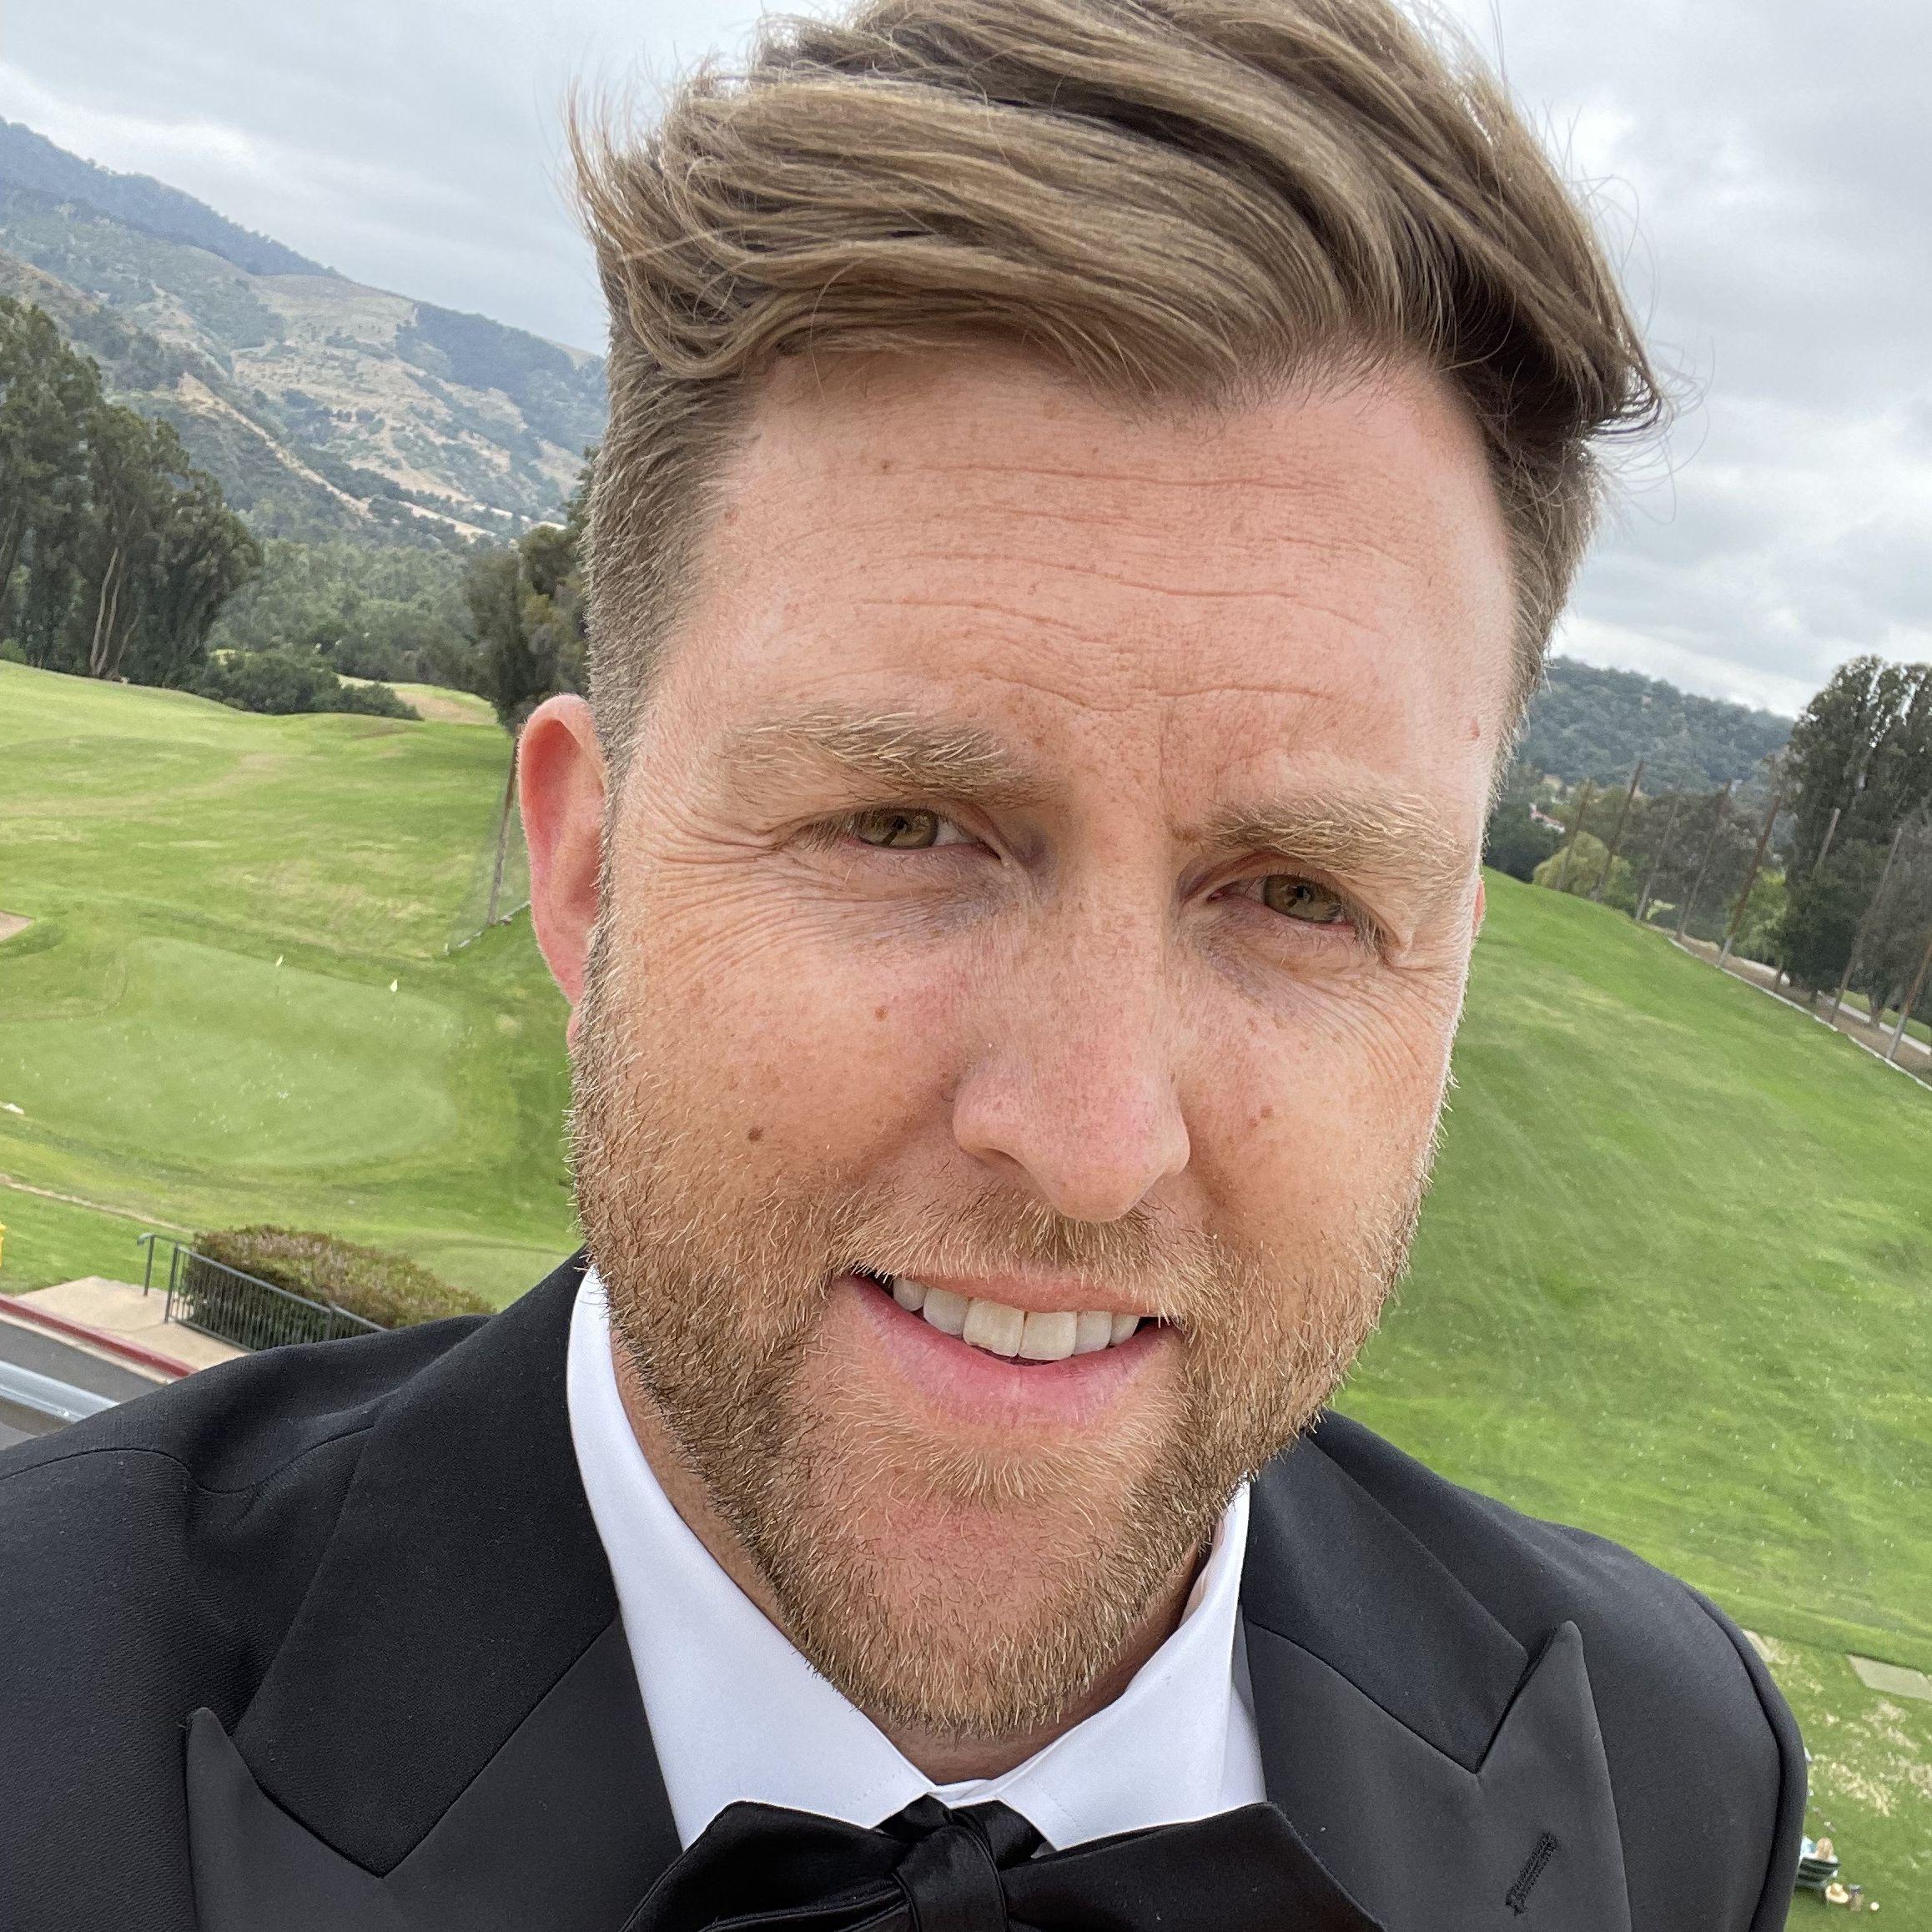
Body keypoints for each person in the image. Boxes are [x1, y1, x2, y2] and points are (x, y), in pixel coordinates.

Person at [0, 0, 1804, 1926]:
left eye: (1295, 894)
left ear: (1444, 983)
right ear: (586, 870)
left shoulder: (1677, 1777)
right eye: (904, 828)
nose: (1090, 1144)